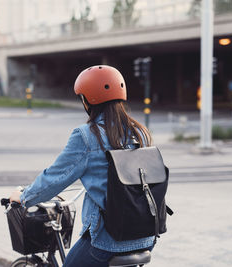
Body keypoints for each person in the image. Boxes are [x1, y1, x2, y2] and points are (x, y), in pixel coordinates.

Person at [9, 65, 154, 267]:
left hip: (108, 240)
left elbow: (55, 178)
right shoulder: (139, 133)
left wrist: (24, 196)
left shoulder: (87, 135)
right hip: (146, 237)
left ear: (87, 100)